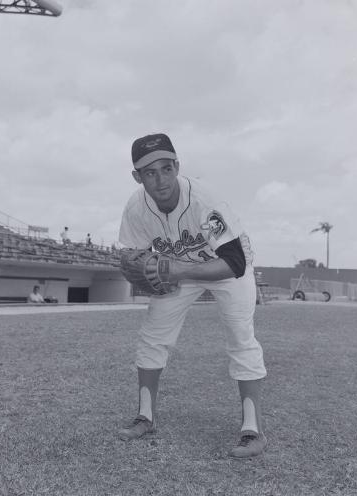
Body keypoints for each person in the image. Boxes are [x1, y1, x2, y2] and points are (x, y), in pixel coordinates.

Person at [117, 133, 267, 458]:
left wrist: (179, 271)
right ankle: (145, 416)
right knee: (152, 336)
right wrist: (150, 278)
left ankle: (252, 430)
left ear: (177, 167)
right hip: (178, 269)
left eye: (166, 169)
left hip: (225, 266)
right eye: (149, 173)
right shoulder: (135, 210)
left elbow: (235, 262)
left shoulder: (204, 200)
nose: (161, 180)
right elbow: (133, 258)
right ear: (137, 177)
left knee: (241, 337)